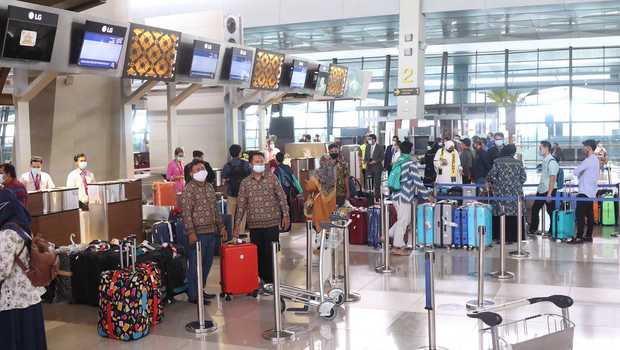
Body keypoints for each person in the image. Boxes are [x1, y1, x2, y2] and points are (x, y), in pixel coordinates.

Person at [0, 189, 47, 350]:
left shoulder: (6, 233)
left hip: (13, 302)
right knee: (31, 342)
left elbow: (2, 269)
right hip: (31, 298)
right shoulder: (23, 228)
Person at [233, 152, 289, 286]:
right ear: (250, 164)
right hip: (255, 225)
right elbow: (241, 205)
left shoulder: (272, 178)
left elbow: (281, 197)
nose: (259, 164)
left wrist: (285, 214)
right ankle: (261, 281)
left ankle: (271, 281)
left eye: (261, 161)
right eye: (256, 161)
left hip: (272, 223)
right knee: (258, 254)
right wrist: (236, 225)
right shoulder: (245, 183)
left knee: (271, 253)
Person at [181, 160, 226, 304]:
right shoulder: (189, 189)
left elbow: (216, 210)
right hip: (198, 233)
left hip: (211, 231)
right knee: (195, 265)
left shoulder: (209, 187)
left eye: (203, 168)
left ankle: (201, 289)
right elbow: (186, 213)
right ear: (191, 173)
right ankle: (193, 294)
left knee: (207, 264)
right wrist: (191, 233)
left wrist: (221, 227)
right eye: (197, 169)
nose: (201, 171)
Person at [387, 141, 431, 255]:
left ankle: (387, 235)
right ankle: (398, 246)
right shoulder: (410, 163)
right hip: (405, 196)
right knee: (403, 220)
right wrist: (427, 195)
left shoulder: (399, 161)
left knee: (404, 219)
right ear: (411, 150)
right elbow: (417, 181)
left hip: (395, 195)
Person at [487, 144, 527, 243]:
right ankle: (514, 237)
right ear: (513, 152)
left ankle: (500, 236)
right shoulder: (518, 163)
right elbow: (523, 178)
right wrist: (515, 184)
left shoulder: (497, 161)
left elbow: (491, 176)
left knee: (501, 212)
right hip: (515, 193)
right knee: (514, 213)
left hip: (500, 193)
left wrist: (499, 183)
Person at [569, 139, 600, 244]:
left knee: (580, 215)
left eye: (584, 147)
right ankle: (588, 236)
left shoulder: (588, 160)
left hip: (584, 191)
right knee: (589, 215)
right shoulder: (595, 160)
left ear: (589, 148)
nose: (583, 149)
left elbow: (575, 171)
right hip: (591, 193)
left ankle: (579, 237)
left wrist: (579, 173)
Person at [529, 141, 559, 236]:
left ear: (546, 148)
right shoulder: (545, 160)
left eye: (540, 148)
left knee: (551, 211)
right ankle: (533, 229)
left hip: (548, 190)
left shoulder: (551, 161)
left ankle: (552, 230)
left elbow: (553, 178)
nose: (539, 150)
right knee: (535, 209)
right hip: (542, 189)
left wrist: (549, 193)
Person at [222, 144, 252, 236]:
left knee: (230, 214)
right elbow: (250, 177)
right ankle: (241, 233)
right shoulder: (246, 164)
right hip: (243, 194)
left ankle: (231, 234)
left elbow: (224, 179)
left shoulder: (227, 165)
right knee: (242, 215)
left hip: (231, 193)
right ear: (239, 153)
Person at [273, 152, 302, 232]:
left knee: (282, 209)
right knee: (289, 208)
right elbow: (294, 179)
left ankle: (283, 227)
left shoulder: (276, 170)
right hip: (290, 192)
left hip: (281, 192)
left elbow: (276, 183)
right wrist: (299, 190)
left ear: (276, 160)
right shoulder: (288, 167)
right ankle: (288, 227)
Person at [363, 134, 385, 199]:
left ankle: (377, 197)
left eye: (370, 139)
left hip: (377, 167)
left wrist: (375, 161)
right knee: (368, 183)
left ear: (374, 140)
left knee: (377, 183)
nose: (368, 140)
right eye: (368, 139)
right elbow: (366, 156)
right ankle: (370, 196)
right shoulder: (367, 146)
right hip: (369, 167)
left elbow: (382, 157)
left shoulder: (380, 147)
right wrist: (365, 161)